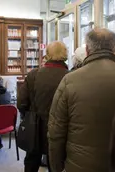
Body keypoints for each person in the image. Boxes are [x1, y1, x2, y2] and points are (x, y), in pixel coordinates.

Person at [48, 28, 115, 172]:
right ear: (113, 48)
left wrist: (56, 166)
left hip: (80, 164)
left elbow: (56, 130)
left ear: (88, 50)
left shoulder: (70, 80)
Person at [17, 41, 68, 172]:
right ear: (65, 54)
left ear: (47, 55)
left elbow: (21, 102)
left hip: (35, 126)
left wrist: (28, 115)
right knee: (56, 162)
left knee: (32, 160)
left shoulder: (34, 74)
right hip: (61, 127)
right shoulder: (70, 76)